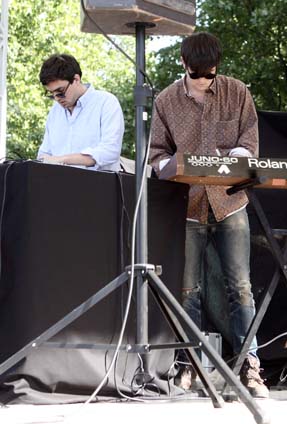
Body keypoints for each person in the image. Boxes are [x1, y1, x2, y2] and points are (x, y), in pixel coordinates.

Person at [150, 32, 268, 398]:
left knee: (241, 287)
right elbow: (155, 156)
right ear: (184, 65)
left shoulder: (237, 92)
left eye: (210, 75)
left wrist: (237, 156)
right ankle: (188, 366)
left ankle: (251, 368)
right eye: (197, 75)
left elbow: (250, 144)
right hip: (186, 206)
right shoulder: (166, 101)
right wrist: (173, 165)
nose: (204, 81)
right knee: (188, 291)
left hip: (231, 201)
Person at [38, 53, 124, 172]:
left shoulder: (106, 102)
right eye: (51, 94)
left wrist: (62, 160)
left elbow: (110, 151)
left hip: (98, 185)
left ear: (76, 79)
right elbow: (44, 153)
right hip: (58, 185)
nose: (57, 98)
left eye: (60, 91)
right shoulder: (55, 112)